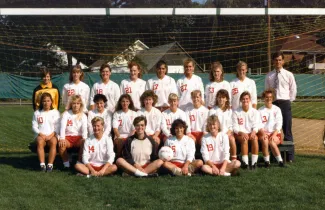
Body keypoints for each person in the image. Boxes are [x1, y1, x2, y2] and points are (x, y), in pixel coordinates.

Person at [265, 51, 297, 162]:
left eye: (280, 60)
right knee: (273, 130)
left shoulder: (288, 74)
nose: (278, 62)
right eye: (276, 60)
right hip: (273, 104)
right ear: (273, 61)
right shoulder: (269, 75)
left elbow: (293, 89)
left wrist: (289, 101)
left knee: (287, 130)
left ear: (283, 61)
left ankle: (290, 157)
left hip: (285, 103)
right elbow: (267, 90)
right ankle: (274, 156)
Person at [32, 93, 60, 172]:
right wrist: (41, 134)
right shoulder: (37, 113)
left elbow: (58, 127)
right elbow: (34, 126)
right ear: (41, 102)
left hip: (52, 135)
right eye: (44, 101)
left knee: (53, 142)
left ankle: (50, 165)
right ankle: (42, 165)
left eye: (48, 101)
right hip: (41, 135)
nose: (46, 103)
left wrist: (52, 135)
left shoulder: (55, 112)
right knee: (40, 142)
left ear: (51, 102)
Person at [232, 91, 260, 170]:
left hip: (250, 133)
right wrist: (241, 133)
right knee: (244, 139)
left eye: (247, 99)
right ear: (240, 100)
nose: (245, 101)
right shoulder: (236, 112)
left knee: (255, 138)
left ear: (250, 100)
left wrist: (254, 132)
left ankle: (254, 163)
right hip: (240, 134)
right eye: (243, 99)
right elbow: (235, 128)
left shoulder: (255, 112)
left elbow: (256, 125)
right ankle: (245, 163)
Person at [58, 95, 88, 169]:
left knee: (85, 143)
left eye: (78, 103)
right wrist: (62, 138)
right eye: (74, 103)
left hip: (78, 138)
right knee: (61, 144)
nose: (76, 105)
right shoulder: (66, 114)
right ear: (71, 104)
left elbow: (84, 128)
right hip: (68, 137)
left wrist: (84, 138)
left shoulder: (83, 115)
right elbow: (63, 127)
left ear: (80, 105)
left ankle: (79, 163)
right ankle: (66, 164)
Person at [258, 89, 285, 167]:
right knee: (265, 140)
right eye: (266, 97)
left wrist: (274, 135)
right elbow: (259, 125)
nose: (268, 99)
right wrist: (263, 133)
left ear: (273, 98)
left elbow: (279, 124)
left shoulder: (277, 109)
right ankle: (267, 162)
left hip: (275, 133)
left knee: (272, 142)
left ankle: (280, 162)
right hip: (264, 133)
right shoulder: (260, 111)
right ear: (264, 98)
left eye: (270, 97)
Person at [209, 89, 237, 160]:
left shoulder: (230, 111)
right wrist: (218, 134)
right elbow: (210, 125)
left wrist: (227, 134)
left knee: (232, 139)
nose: (221, 99)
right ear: (217, 98)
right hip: (216, 134)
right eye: (219, 97)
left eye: (223, 97)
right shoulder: (212, 111)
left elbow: (231, 126)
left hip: (227, 133)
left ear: (226, 99)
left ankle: (233, 158)